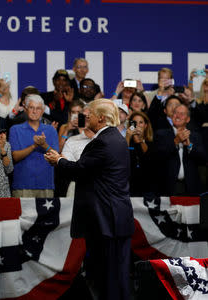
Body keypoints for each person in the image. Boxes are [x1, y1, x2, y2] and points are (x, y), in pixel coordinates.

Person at [44, 98, 134, 300]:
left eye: (90, 114)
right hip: (114, 218)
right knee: (117, 278)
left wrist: (58, 160)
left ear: (101, 118)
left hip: (106, 220)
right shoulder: (117, 138)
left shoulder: (103, 142)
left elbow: (80, 170)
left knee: (108, 279)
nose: (87, 117)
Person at [9, 94, 59, 197]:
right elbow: (15, 157)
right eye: (31, 107)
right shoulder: (15, 129)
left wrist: (44, 145)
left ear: (42, 110)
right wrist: (34, 146)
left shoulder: (50, 130)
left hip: (46, 185)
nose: (35, 111)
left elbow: (56, 157)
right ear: (26, 109)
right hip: (22, 185)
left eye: (38, 108)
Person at [153, 104, 207, 196]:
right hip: (168, 188)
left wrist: (189, 146)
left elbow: (203, 159)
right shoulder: (161, 134)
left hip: (191, 188)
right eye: (175, 113)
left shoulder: (195, 136)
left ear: (188, 119)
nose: (177, 116)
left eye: (182, 114)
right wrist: (175, 142)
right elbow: (157, 157)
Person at [60, 106, 94, 197]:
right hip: (76, 186)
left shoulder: (105, 140)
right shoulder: (72, 141)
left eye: (89, 117)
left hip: (100, 187)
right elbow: (66, 166)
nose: (86, 120)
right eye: (84, 117)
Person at [126, 111, 154, 196]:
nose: (137, 125)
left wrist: (140, 140)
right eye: (135, 123)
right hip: (129, 185)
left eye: (141, 122)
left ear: (146, 125)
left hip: (147, 185)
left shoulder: (151, 142)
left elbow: (148, 158)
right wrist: (128, 137)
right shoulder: (126, 141)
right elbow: (122, 157)